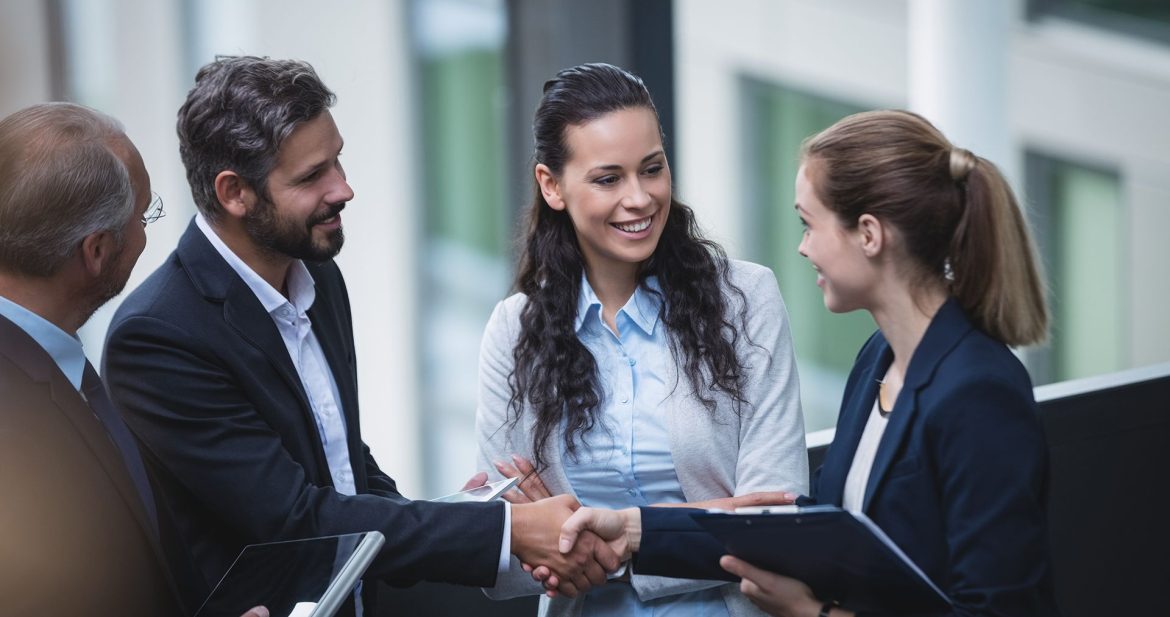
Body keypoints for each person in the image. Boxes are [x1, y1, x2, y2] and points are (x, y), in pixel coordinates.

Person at [101, 56, 617, 617]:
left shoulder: (316, 274)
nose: (343, 188)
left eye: (337, 160)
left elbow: (342, 464)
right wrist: (502, 530)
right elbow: (296, 520)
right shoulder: (158, 337)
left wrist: (465, 512)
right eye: (311, 176)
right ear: (234, 193)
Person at [556, 110, 1061, 617]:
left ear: (868, 234)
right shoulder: (879, 360)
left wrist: (811, 615)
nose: (802, 248)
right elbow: (820, 528)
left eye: (808, 223)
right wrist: (633, 530)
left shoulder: (979, 392)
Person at [475, 62, 808, 617]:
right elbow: (504, 554)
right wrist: (704, 519)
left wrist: (616, 543)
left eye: (652, 169)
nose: (640, 198)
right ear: (551, 186)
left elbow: (774, 521)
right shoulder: (513, 332)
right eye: (609, 179)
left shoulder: (746, 300)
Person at [0, 102, 267, 617]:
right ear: (97, 251)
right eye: (145, 215)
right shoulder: (14, 429)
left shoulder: (47, 364)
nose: (147, 232)